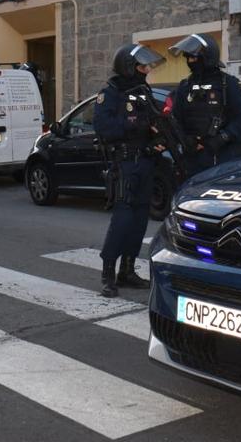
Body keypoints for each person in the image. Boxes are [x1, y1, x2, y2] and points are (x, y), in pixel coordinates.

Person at [95, 43, 166, 298]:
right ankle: (108, 274)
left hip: (145, 162)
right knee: (122, 219)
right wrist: (133, 124)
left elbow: (154, 119)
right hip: (124, 164)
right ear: (127, 67)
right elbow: (103, 127)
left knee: (138, 220)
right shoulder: (110, 93)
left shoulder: (143, 91)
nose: (146, 70)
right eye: (141, 66)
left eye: (147, 66)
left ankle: (128, 270)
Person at [168, 33, 241, 178]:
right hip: (191, 158)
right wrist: (185, 139)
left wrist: (221, 139)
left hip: (221, 157)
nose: (190, 62)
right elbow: (175, 119)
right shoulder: (185, 86)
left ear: (207, 58)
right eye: (188, 58)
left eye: (194, 58)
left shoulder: (228, 84)